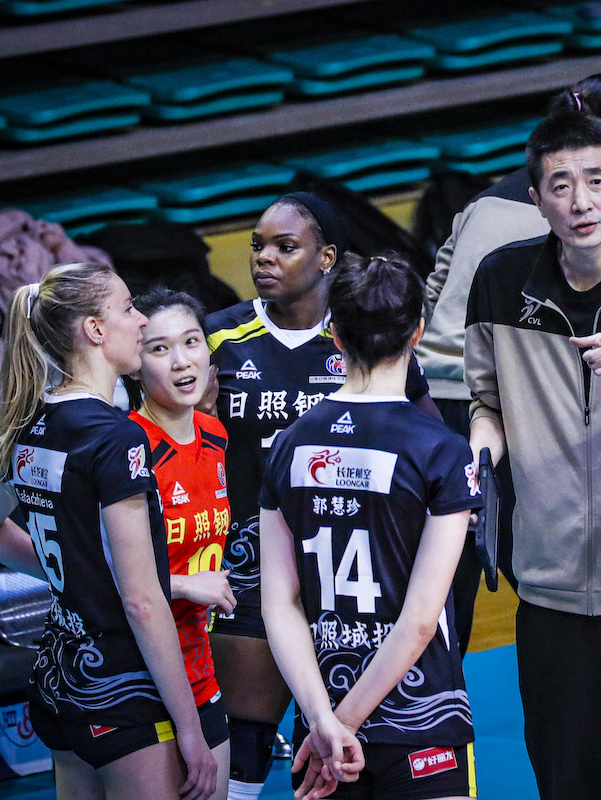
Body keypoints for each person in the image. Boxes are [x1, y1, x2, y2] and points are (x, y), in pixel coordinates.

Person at [465, 110, 601, 800]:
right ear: (536, 198)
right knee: (565, 781)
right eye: (560, 185)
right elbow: (486, 400)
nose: (580, 201)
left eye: (595, 181)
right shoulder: (500, 280)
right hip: (547, 587)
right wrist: (481, 453)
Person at [204, 192, 437, 800]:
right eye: (258, 245)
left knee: (342, 753)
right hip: (251, 566)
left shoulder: (363, 330)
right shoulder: (219, 336)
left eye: (285, 246)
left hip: (353, 576)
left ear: (327, 257)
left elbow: (427, 443)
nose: (264, 257)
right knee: (244, 746)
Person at [0, 262, 216, 800]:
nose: (140, 321)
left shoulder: (29, 425)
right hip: (123, 691)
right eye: (128, 308)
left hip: (59, 681)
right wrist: (191, 730)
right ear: (95, 330)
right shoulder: (115, 438)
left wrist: (75, 578)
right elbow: (142, 602)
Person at [418, 73, 601, 653]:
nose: (579, 202)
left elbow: (431, 296)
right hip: (508, 406)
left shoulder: (480, 204)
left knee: (443, 590)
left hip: (433, 403)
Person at [261, 252, 481, 800]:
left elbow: (279, 604)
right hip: (422, 721)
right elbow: (420, 621)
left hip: (322, 728)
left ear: (335, 335)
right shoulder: (442, 451)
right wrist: (346, 725)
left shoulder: (288, 444)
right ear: (418, 333)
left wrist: (325, 723)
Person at [129, 287, 235, 800]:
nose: (181, 361)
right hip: (135, 675)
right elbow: (96, 574)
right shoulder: (126, 447)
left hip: (199, 665)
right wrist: (184, 584)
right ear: (134, 365)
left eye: (191, 342)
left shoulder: (215, 435)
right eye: (159, 348)